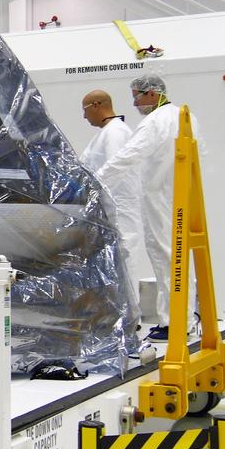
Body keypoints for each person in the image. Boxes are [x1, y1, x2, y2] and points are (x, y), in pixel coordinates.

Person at [97, 74, 201, 341]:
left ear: (152, 94)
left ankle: (174, 324)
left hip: (160, 198)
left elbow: (129, 155)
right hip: (181, 195)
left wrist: (95, 182)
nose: (134, 103)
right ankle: (184, 319)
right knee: (178, 260)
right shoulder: (185, 116)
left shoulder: (155, 121)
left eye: (137, 96)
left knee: (166, 258)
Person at [80, 90, 143, 275]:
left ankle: (131, 304)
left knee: (125, 259)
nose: (84, 116)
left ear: (97, 105)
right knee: (116, 262)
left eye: (85, 110)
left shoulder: (116, 132)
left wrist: (91, 188)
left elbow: (115, 168)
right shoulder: (105, 133)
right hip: (110, 209)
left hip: (119, 209)